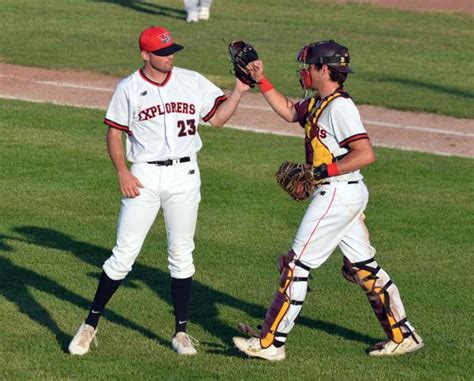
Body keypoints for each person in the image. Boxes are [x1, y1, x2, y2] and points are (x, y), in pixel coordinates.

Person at [233, 40, 424, 361]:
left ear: (325, 69)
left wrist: (321, 171)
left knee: (296, 265)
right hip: (343, 192)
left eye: (309, 66)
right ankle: (403, 335)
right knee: (364, 268)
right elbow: (289, 111)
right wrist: (261, 79)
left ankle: (271, 343)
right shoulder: (321, 103)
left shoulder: (340, 108)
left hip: (337, 191)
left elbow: (365, 154)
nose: (304, 71)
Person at [68, 25, 250, 356]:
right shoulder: (128, 88)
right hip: (144, 176)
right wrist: (122, 171)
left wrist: (238, 91)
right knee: (123, 255)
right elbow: (113, 133)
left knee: (182, 255)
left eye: (171, 51)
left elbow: (218, 119)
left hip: (185, 174)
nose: (169, 57)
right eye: (163, 52)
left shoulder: (190, 80)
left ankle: (181, 333)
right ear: (145, 55)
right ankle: (89, 325)